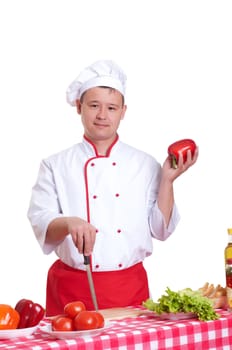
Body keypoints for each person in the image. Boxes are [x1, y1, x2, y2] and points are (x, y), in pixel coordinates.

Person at [27, 60, 198, 316]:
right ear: (79, 107)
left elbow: (160, 230)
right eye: (94, 105)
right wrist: (69, 222)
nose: (102, 115)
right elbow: (42, 225)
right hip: (72, 289)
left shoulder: (144, 164)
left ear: (123, 111)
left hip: (129, 288)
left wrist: (167, 180)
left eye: (111, 108)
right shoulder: (55, 165)